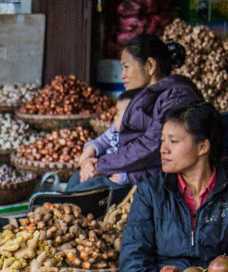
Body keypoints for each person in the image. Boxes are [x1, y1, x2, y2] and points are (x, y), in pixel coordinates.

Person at [119, 102, 228, 272]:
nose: (163, 149)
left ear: (202, 147)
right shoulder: (150, 192)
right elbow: (132, 259)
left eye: (174, 141)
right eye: (163, 141)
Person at [70, 34, 201, 191]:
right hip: (129, 169)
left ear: (150, 65)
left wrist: (103, 165)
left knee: (80, 191)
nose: (122, 75)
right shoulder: (149, 93)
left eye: (126, 67)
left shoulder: (177, 96)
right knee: (76, 179)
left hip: (153, 179)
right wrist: (91, 155)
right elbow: (116, 132)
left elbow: (153, 146)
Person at [76, 88, 140, 187]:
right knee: (76, 177)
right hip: (103, 170)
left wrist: (127, 177)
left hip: (116, 180)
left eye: (118, 114)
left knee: (89, 185)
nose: (115, 118)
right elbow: (102, 141)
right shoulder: (115, 129)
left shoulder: (138, 139)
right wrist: (89, 153)